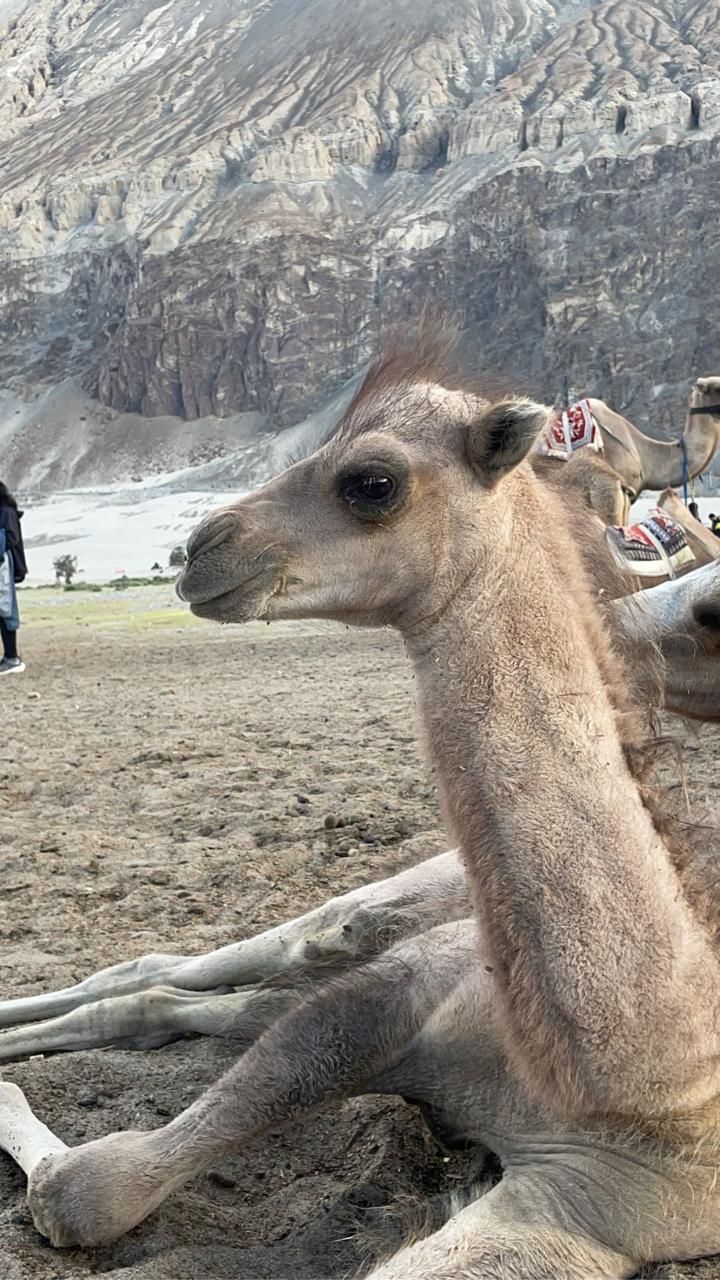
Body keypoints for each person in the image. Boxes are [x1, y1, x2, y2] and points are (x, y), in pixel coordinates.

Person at [0, 481, 28, 674]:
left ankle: (12, 657)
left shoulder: (6, 513)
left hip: (3, 568)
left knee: (6, 611)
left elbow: (10, 539)